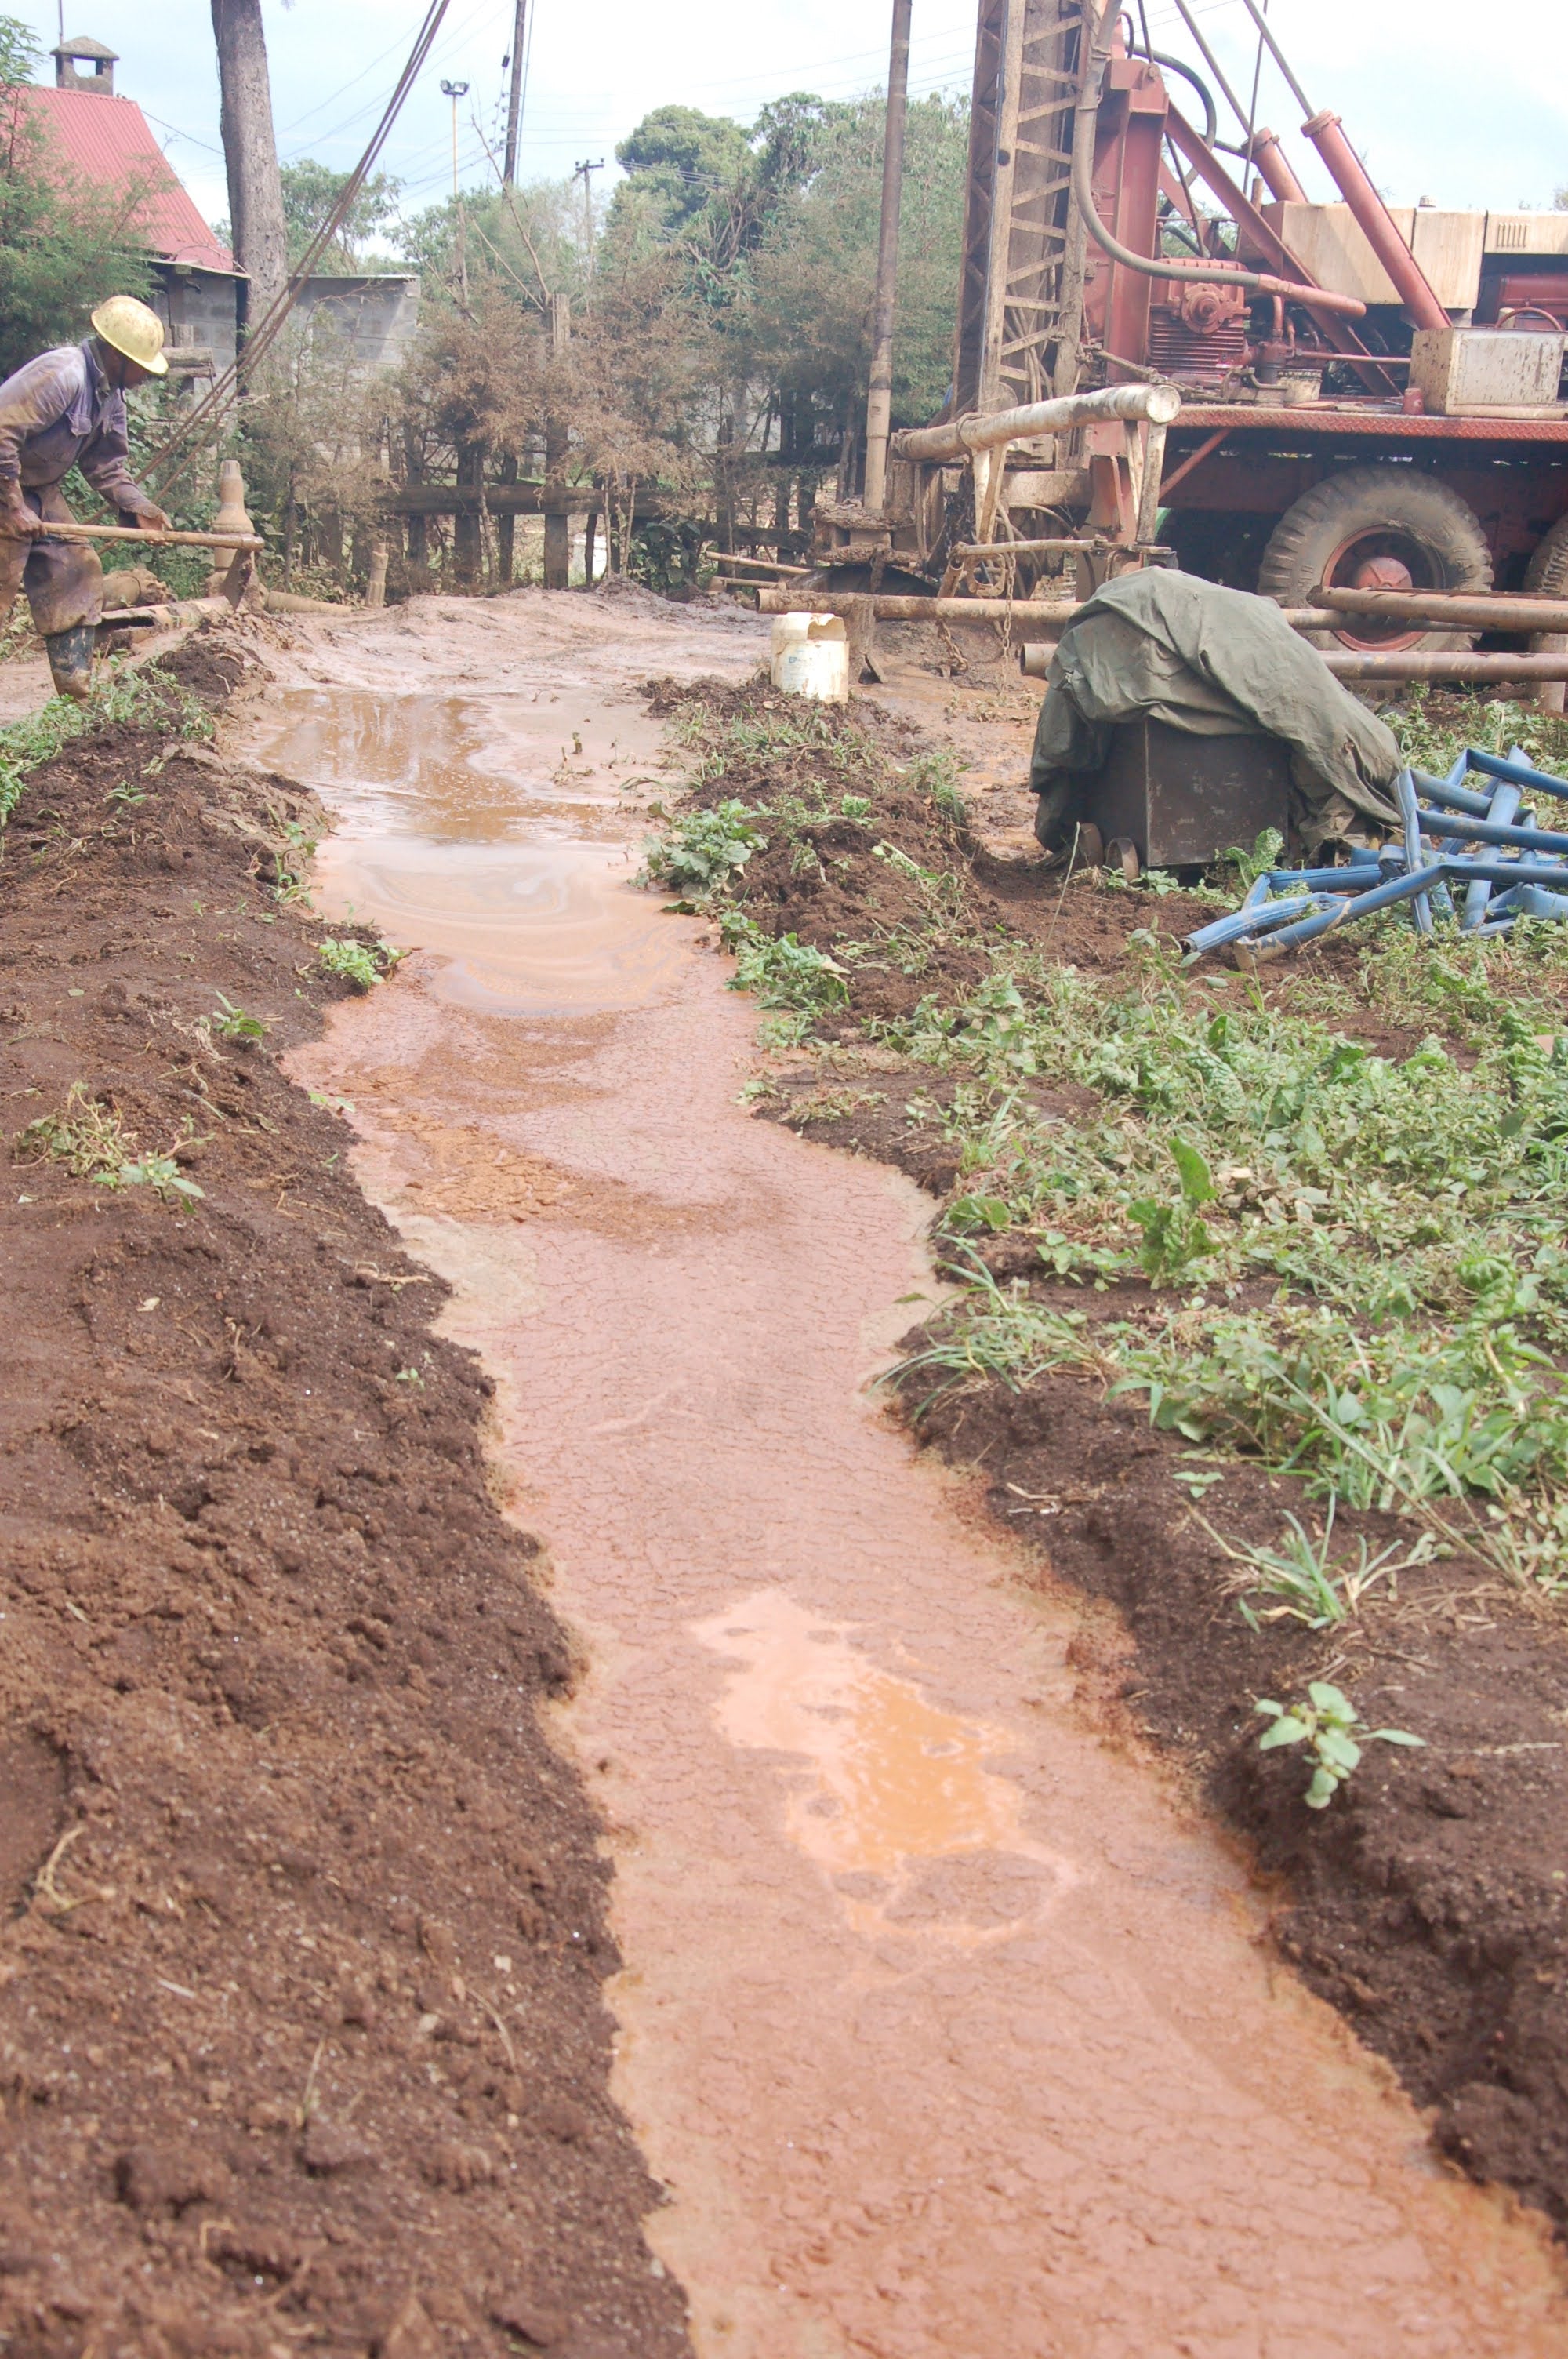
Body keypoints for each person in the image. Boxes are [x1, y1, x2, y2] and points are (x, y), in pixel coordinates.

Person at [0, 296, 173, 700]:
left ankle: (76, 692)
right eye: (142, 367)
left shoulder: (111, 397)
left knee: (76, 568)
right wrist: (12, 505)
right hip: (5, 483)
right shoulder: (64, 375)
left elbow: (107, 466)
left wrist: (138, 507)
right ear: (116, 355)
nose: (145, 376)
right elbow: (2, 432)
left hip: (39, 489)